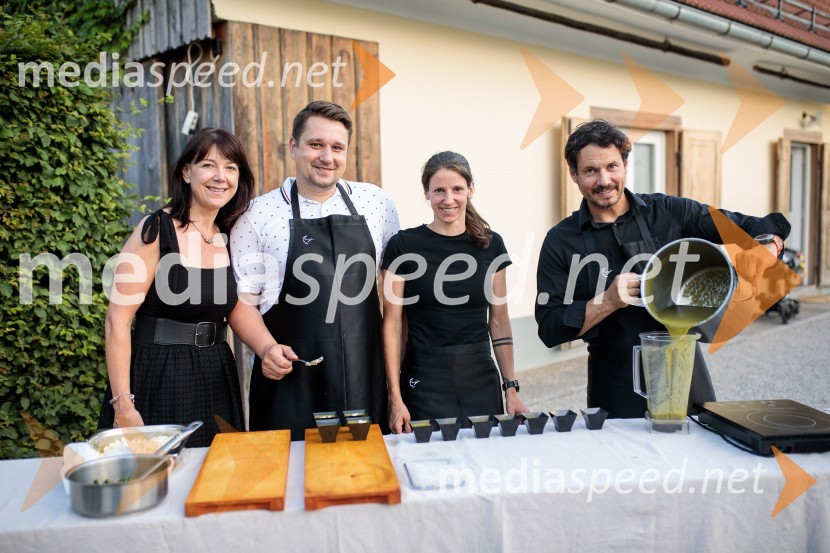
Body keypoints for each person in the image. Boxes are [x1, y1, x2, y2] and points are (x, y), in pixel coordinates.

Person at [535, 120, 790, 419]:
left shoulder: (669, 212)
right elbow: (550, 329)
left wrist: (767, 244)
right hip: (614, 382)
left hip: (685, 371)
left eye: (612, 167)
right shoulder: (560, 241)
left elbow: (756, 224)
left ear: (626, 165)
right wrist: (606, 302)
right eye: (591, 171)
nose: (604, 180)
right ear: (574, 174)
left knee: (694, 458)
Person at [229, 101, 400, 441]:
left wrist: (396, 388)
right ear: (293, 146)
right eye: (316, 145)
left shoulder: (376, 203)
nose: (327, 157)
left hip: (363, 374)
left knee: (365, 476)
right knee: (288, 480)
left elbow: (395, 298)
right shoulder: (256, 215)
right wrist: (265, 349)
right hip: (290, 380)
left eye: (337, 147)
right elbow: (241, 303)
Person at [99, 128, 255, 447]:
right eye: (208, 165)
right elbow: (117, 321)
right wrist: (123, 405)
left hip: (215, 374)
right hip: (158, 373)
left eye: (230, 167)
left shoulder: (231, 235)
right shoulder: (156, 230)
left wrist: (267, 349)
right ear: (186, 172)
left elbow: (237, 309)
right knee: (155, 481)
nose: (220, 176)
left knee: (214, 478)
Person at [381, 151, 528, 433]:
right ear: (426, 194)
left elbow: (498, 320)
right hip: (424, 378)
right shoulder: (403, 246)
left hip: (481, 378)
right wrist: (395, 398)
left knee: (485, 464)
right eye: (439, 191)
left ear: (470, 189)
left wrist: (510, 388)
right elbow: (393, 325)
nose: (448, 200)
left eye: (457, 189)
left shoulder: (492, 244)